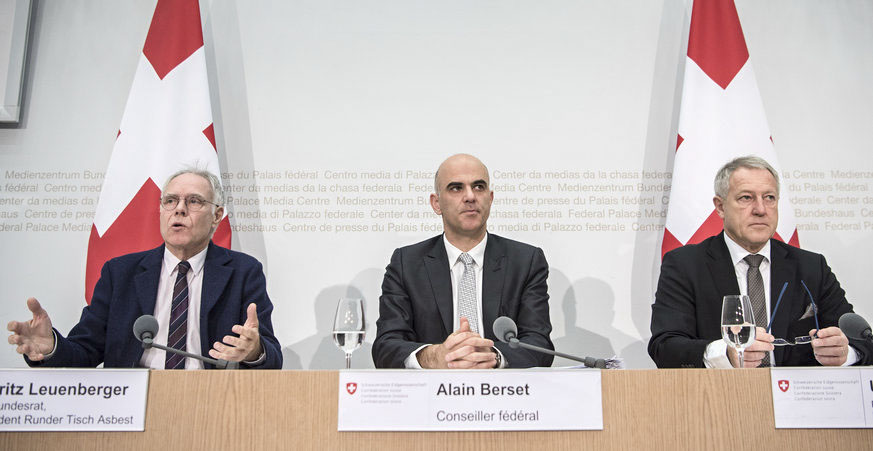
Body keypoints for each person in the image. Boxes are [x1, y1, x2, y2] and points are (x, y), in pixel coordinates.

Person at [7, 169, 282, 369]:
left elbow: (272, 356)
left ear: (217, 216)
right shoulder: (120, 273)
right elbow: (86, 350)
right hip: (130, 404)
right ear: (161, 210)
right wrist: (51, 347)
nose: (180, 210)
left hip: (210, 401)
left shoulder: (243, 272)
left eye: (194, 201)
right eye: (170, 201)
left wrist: (254, 351)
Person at [649, 156, 872, 368]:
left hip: (800, 402)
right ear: (720, 207)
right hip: (721, 399)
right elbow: (665, 347)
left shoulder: (811, 267)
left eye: (769, 198)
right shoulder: (686, 265)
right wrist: (725, 354)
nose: (760, 210)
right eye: (746, 197)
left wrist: (845, 353)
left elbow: (862, 343)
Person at [372, 154, 553, 369]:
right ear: (436, 203)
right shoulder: (406, 264)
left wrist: (494, 357)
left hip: (504, 394)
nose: (470, 196)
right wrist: (434, 356)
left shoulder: (525, 261)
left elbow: (539, 344)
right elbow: (386, 346)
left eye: (478, 187)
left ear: (490, 198)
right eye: (456, 188)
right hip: (430, 396)